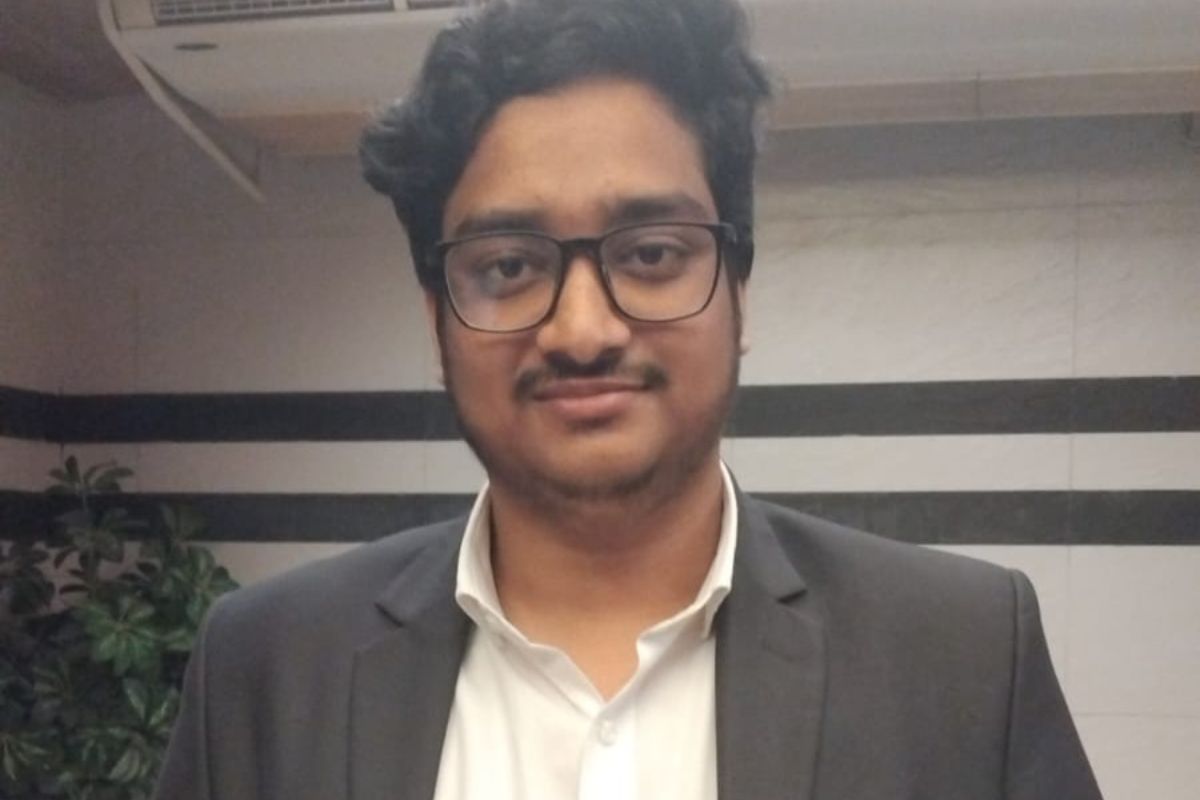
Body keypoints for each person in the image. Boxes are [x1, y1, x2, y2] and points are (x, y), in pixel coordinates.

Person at [154, 0, 1102, 798]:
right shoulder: (267, 667)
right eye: (509, 265)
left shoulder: (964, 656)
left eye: (650, 254)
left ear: (738, 290)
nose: (582, 330)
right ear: (437, 316)